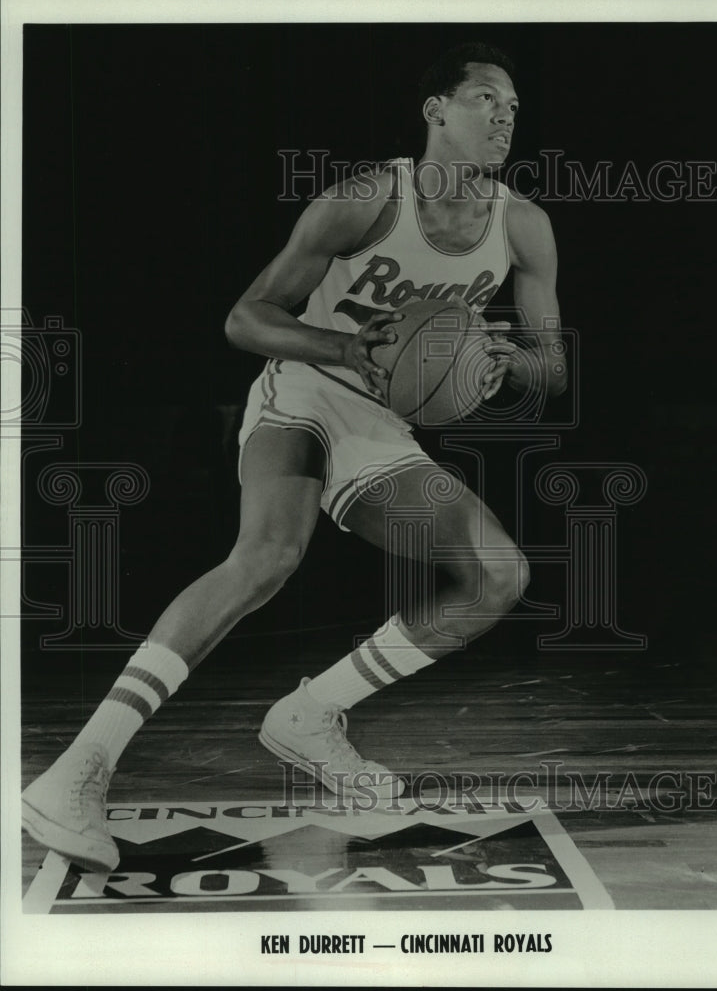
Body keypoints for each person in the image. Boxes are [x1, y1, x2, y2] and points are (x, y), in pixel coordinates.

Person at [21, 42, 566, 872]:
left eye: (513, 108)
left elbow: (551, 364)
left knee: (498, 575)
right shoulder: (360, 201)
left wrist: (506, 364)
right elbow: (246, 318)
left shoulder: (523, 226)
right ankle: (77, 770)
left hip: (380, 424)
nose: (504, 116)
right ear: (436, 110)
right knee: (267, 554)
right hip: (306, 390)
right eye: (487, 98)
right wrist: (344, 351)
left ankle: (311, 715)